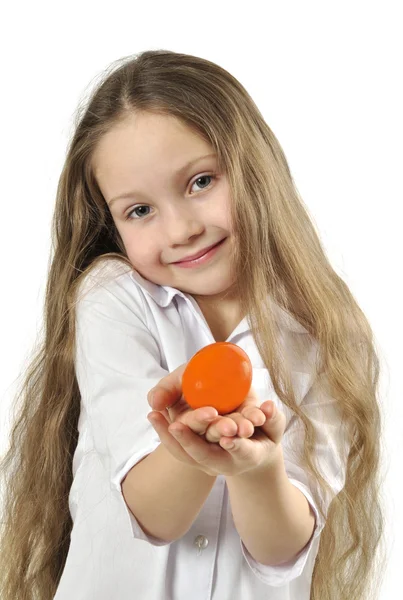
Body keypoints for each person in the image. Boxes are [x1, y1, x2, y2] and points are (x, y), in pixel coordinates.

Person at [0, 50, 386, 600]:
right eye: (139, 211)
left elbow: (283, 548)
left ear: (254, 167)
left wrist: (258, 469)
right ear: (109, 222)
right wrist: (188, 450)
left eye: (200, 181)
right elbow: (156, 515)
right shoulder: (113, 299)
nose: (180, 229)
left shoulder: (326, 327)